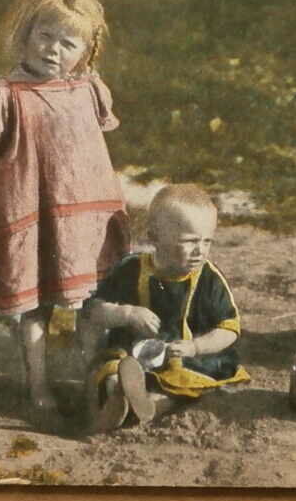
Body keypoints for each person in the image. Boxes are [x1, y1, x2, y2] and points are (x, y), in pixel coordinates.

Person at [0, 0, 130, 417]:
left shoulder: (89, 89)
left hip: (84, 219)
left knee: (92, 304)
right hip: (34, 215)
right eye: (44, 35)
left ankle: (90, 378)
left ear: (86, 50)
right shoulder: (6, 95)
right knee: (36, 307)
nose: (53, 49)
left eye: (67, 42)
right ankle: (38, 385)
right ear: (25, 33)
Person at [80, 184, 249, 432]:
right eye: (189, 241)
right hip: (133, 354)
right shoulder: (131, 269)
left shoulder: (208, 278)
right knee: (113, 370)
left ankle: (149, 405)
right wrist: (126, 313)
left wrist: (195, 346)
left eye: (207, 241)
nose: (199, 251)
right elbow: (93, 310)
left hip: (183, 355)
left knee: (181, 384)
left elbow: (229, 329)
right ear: (154, 238)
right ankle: (118, 399)